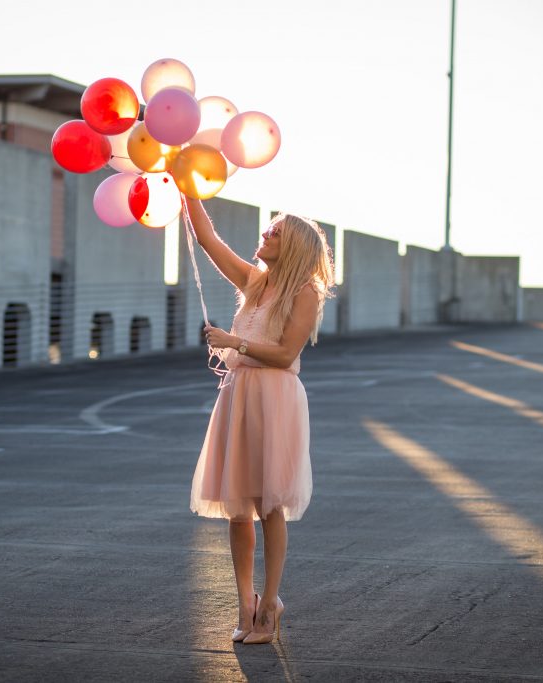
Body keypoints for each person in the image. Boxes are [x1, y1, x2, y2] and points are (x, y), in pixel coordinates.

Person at [184, 196, 335, 645]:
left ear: (292, 248)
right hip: (239, 394)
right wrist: (188, 190)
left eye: (275, 233)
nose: (264, 235)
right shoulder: (254, 281)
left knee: (270, 506)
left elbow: (287, 353)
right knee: (237, 508)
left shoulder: (305, 291)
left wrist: (235, 342)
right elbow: (208, 239)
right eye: (267, 229)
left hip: (275, 396)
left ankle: (270, 603)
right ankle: (243, 600)